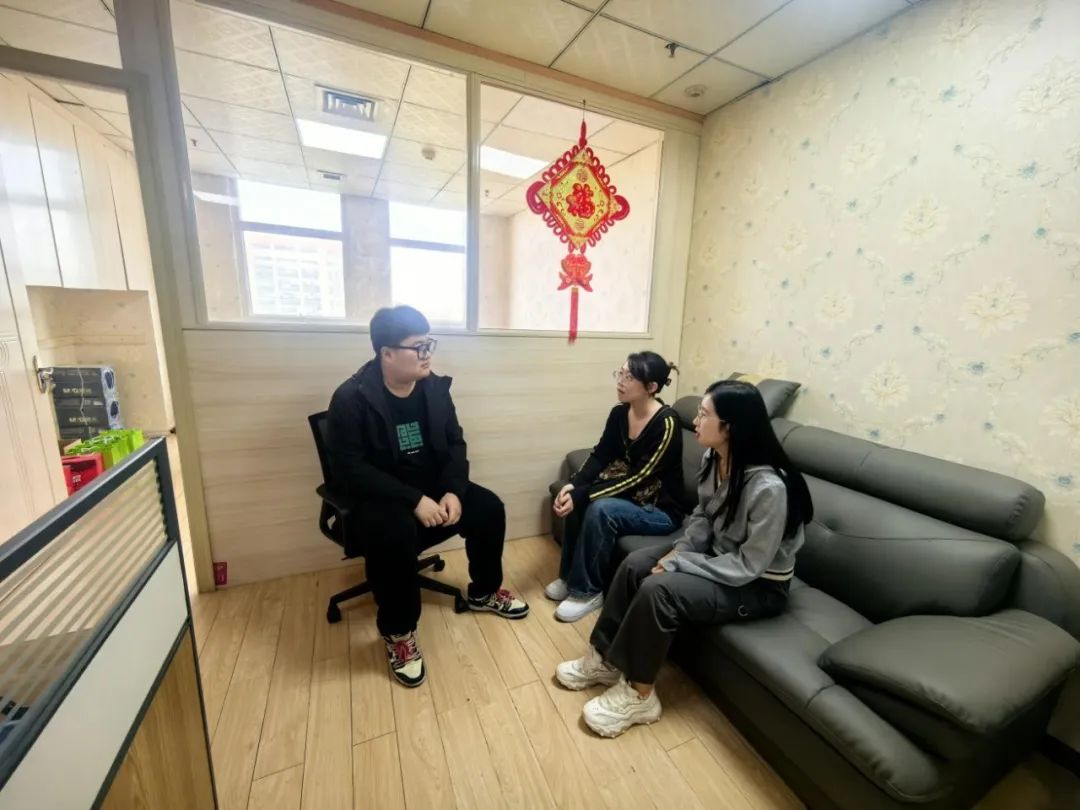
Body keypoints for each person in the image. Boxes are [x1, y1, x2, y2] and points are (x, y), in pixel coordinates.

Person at [555, 379, 814, 737]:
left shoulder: (769, 488)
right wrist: (680, 551)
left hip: (758, 585)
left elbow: (749, 566)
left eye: (704, 415)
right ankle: (606, 660)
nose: (695, 421)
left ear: (730, 427)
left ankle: (641, 695)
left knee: (658, 590)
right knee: (634, 566)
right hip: (718, 555)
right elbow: (703, 516)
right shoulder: (714, 458)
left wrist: (679, 563)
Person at [326, 305, 528, 688]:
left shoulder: (434, 388)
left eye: (429, 344)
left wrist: (453, 489)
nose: (427, 354)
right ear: (387, 353)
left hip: (433, 490)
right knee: (395, 533)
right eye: (418, 347)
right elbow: (350, 470)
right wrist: (413, 499)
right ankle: (398, 632)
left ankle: (484, 592)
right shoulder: (351, 398)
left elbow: (455, 443)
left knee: (488, 508)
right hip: (378, 498)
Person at [548, 352, 684, 622]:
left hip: (658, 508)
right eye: (620, 373)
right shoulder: (620, 413)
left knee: (600, 508)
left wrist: (585, 494)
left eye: (630, 377)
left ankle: (587, 592)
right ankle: (569, 577)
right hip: (631, 497)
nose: (621, 381)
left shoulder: (667, 423)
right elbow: (600, 455)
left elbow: (640, 476)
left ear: (651, 387)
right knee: (577, 495)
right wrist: (575, 484)